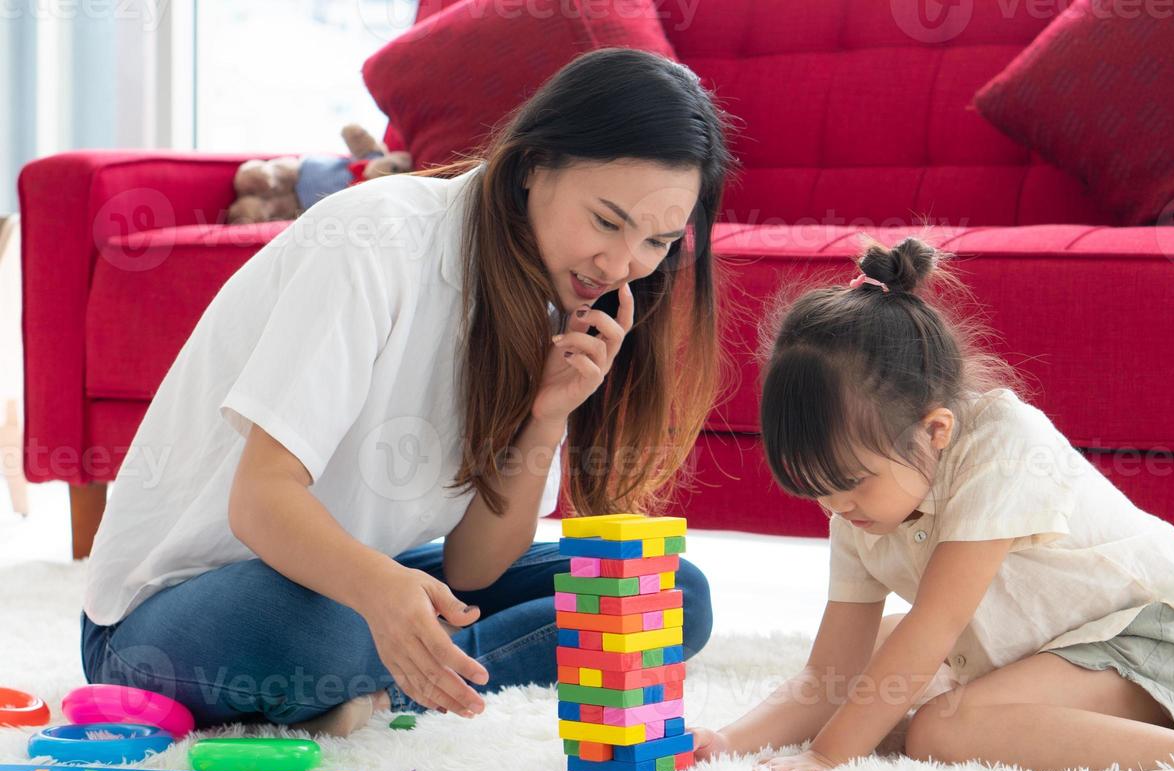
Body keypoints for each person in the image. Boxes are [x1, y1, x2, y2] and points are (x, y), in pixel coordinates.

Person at [80, 49, 734, 735]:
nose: (622, 264)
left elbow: (474, 569)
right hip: (180, 611)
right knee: (323, 629)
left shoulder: (556, 294)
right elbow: (259, 503)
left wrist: (544, 421)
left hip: (353, 577)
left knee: (660, 596)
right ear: (534, 166)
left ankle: (387, 686)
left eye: (657, 241)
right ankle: (400, 669)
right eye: (605, 221)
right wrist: (378, 592)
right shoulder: (374, 238)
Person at [690, 237, 1174, 771]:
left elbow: (936, 624)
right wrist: (726, 741)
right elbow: (829, 670)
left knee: (941, 729)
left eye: (849, 487)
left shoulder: (1005, 444)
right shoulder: (861, 492)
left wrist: (828, 756)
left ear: (935, 431)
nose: (836, 510)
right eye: (819, 493)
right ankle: (1002, 708)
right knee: (872, 662)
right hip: (1036, 650)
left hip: (1154, 646)